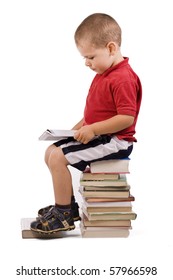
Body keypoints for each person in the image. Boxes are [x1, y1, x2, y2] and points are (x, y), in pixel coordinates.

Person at [30, 13, 142, 234]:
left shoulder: (123, 78)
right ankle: (68, 207)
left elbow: (126, 118)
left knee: (59, 157)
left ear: (111, 48)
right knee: (50, 151)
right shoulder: (104, 73)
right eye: (85, 58)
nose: (87, 63)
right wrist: (77, 129)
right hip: (101, 135)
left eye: (90, 57)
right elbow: (95, 113)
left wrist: (92, 129)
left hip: (116, 141)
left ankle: (63, 215)